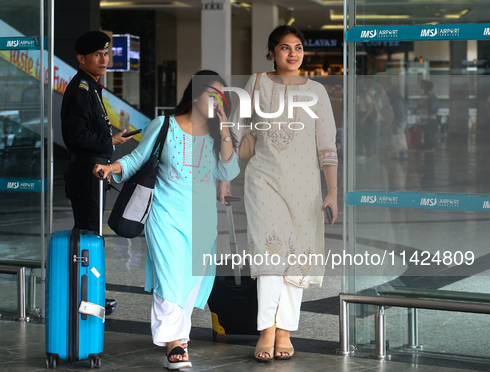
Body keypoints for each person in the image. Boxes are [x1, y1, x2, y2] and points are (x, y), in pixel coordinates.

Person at [93, 70, 239, 370]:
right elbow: (138, 159)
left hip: (202, 220)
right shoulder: (165, 125)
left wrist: (225, 127)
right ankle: (173, 343)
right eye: (211, 93)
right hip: (165, 214)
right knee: (171, 275)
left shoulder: (217, 135)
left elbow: (227, 172)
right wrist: (113, 168)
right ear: (196, 95)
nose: (216, 100)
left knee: (192, 280)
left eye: (221, 96)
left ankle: (179, 335)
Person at [229, 25, 338, 361]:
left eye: (299, 47)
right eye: (285, 48)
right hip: (264, 180)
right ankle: (266, 330)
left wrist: (332, 189)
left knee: (299, 255)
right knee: (270, 252)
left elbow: (326, 145)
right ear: (272, 52)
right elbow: (236, 131)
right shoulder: (257, 83)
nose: (293, 54)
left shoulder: (317, 91)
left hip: (305, 185)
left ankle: (285, 330)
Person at [60, 30, 132, 314]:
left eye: (106, 54)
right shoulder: (80, 89)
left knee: (90, 236)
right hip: (86, 172)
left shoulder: (90, 87)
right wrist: (110, 141)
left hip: (93, 172)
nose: (104, 60)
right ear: (81, 58)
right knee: (88, 237)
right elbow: (76, 136)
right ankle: (86, 299)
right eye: (97, 55)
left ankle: (90, 295)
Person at [420, 79, 438, 150]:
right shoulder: (433, 94)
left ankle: (427, 146)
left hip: (426, 117)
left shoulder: (424, 95)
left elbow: (420, 104)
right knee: (432, 133)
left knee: (426, 132)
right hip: (433, 116)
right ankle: (431, 146)